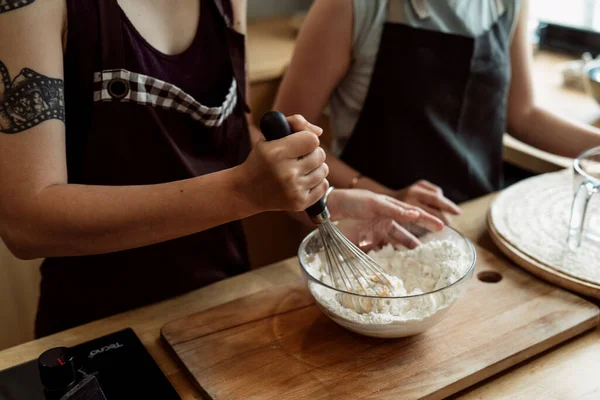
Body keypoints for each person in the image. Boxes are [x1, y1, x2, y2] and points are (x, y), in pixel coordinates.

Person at [0, 0, 443, 337]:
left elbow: (235, 134)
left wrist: (323, 199)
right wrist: (243, 192)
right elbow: (27, 220)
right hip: (99, 327)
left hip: (222, 302)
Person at [275, 0, 600, 221]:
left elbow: (524, 114)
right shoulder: (349, 6)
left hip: (476, 219)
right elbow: (285, 144)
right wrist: (387, 198)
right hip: (374, 230)